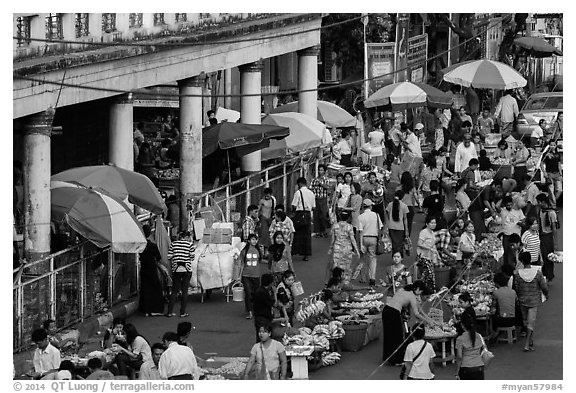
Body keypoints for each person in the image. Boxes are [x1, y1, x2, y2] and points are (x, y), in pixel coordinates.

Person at [382, 281, 441, 366]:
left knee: (388, 335)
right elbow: (417, 313)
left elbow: (420, 310)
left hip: (386, 310)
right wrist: (428, 321)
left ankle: (389, 358)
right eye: (420, 291)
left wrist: (431, 321)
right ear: (417, 289)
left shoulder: (403, 290)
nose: (420, 294)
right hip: (394, 313)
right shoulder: (412, 296)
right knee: (397, 336)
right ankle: (396, 360)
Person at [513, 251, 549, 352]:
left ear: (522, 261)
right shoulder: (537, 273)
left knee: (526, 321)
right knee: (531, 322)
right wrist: (546, 294)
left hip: (523, 300)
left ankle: (530, 341)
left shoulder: (518, 274)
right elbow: (544, 286)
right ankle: (527, 343)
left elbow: (516, 287)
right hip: (534, 301)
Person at [234, 234, 263, 320]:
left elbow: (260, 260)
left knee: (256, 293)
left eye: (256, 239)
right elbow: (241, 264)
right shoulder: (244, 251)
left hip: (256, 275)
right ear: (249, 241)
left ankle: (256, 309)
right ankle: (250, 311)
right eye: (253, 239)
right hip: (246, 275)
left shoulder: (258, 250)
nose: (255, 241)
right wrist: (239, 276)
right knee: (248, 293)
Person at [166, 231, 195, 318]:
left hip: (176, 270)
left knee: (174, 291)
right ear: (186, 237)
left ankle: (169, 312)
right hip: (187, 269)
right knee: (184, 291)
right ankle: (182, 313)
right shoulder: (190, 245)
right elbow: (192, 257)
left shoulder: (173, 244)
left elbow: (169, 257)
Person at [139, 225, 165, 317]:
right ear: (149, 233)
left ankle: (146, 310)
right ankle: (155, 309)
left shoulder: (139, 246)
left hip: (143, 269)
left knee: (145, 289)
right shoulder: (152, 246)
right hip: (151, 269)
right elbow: (158, 257)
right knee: (156, 288)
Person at [328, 211, 360, 282]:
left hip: (337, 247)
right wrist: (357, 250)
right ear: (348, 218)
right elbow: (352, 239)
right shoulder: (349, 226)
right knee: (347, 265)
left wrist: (330, 248)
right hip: (347, 248)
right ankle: (345, 281)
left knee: (336, 265)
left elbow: (333, 239)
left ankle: (336, 280)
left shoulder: (335, 226)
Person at [291, 177, 316, 261]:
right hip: (308, 214)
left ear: (299, 184)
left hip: (299, 214)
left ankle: (294, 251)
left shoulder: (298, 192)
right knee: (307, 235)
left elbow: (294, 205)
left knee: (296, 234)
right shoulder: (311, 193)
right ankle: (306, 254)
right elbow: (314, 207)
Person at [455, 312, 486, 380]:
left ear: (462, 325)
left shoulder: (460, 339)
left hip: (466, 368)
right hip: (479, 366)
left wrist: (457, 372)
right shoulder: (479, 336)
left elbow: (459, 357)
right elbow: (485, 350)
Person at [537, 194, 558, 282]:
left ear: (543, 202)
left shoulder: (551, 213)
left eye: (539, 202)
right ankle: (545, 274)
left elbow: (554, 228)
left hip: (548, 236)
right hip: (541, 235)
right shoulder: (541, 211)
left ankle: (549, 275)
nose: (538, 203)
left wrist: (555, 242)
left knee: (548, 257)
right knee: (542, 256)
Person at [252, 273, 279, 342]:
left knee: (262, 338)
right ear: (270, 283)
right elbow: (274, 304)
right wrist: (275, 293)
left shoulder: (259, 290)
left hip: (260, 317)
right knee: (264, 338)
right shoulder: (263, 292)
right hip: (263, 318)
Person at [500, 195, 525, 267]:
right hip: (507, 235)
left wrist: (520, 223)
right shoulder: (502, 211)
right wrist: (503, 197)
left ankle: (517, 267)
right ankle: (508, 268)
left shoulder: (518, 210)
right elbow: (496, 206)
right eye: (508, 205)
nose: (510, 206)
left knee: (516, 253)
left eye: (511, 204)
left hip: (516, 236)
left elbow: (523, 220)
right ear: (504, 205)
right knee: (507, 253)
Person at [416, 216, 438, 290]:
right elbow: (419, 243)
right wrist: (428, 248)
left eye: (434, 223)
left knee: (427, 275)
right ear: (427, 224)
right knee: (429, 273)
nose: (433, 224)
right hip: (423, 256)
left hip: (430, 256)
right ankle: (427, 289)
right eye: (431, 223)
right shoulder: (423, 232)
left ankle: (425, 289)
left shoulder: (432, 233)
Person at [310, 164, 332, 238]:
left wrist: (320, 183)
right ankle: (317, 231)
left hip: (323, 199)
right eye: (319, 170)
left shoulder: (326, 180)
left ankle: (324, 230)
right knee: (316, 215)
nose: (320, 171)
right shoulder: (314, 180)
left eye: (322, 170)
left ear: (325, 171)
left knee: (323, 215)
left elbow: (327, 188)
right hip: (316, 199)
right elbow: (311, 189)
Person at [385, 190, 409, 256]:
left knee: (394, 244)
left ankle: (394, 257)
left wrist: (386, 227)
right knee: (399, 244)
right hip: (400, 228)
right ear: (402, 197)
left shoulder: (390, 204)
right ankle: (399, 257)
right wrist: (406, 230)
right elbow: (405, 219)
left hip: (391, 227)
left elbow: (387, 216)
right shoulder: (404, 206)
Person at [541, 140, 562, 207]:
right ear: (549, 146)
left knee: (559, 190)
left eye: (554, 145)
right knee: (551, 191)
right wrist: (544, 172)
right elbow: (541, 163)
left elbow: (559, 164)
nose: (552, 146)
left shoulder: (558, 154)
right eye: (551, 145)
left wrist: (561, 174)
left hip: (557, 174)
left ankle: (552, 202)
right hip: (549, 174)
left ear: (556, 146)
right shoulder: (546, 154)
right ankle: (553, 206)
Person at [398, 171, 418, 236]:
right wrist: (419, 205)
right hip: (409, 208)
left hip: (401, 207)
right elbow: (416, 197)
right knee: (409, 225)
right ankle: (407, 239)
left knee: (401, 224)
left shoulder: (399, 188)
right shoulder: (412, 188)